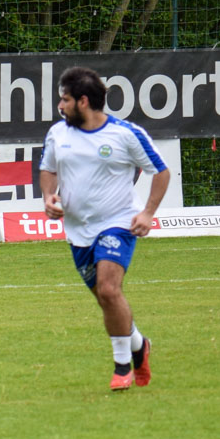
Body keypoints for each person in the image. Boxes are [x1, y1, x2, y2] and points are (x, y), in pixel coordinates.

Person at [40, 66, 169, 391]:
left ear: (83, 102)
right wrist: (48, 197)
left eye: (65, 100)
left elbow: (161, 171)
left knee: (110, 290)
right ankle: (139, 344)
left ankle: (122, 366)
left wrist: (147, 213)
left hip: (118, 223)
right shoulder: (58, 134)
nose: (60, 106)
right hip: (77, 229)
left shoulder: (125, 134)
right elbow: (48, 169)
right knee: (106, 300)